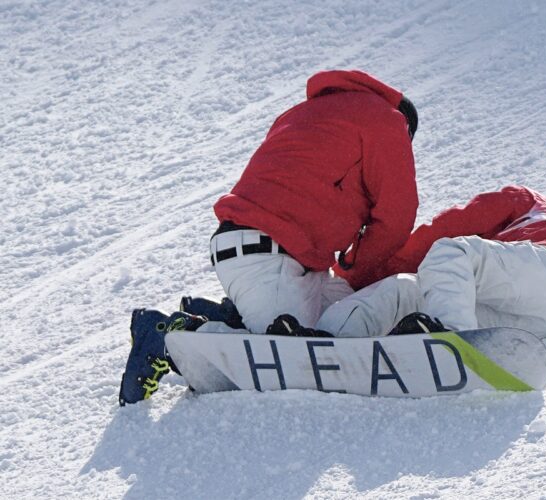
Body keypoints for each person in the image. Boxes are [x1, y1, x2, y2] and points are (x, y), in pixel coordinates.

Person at [119, 69, 420, 405]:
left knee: (347, 324)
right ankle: (169, 337)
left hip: (268, 255)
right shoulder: (388, 121)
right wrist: (358, 269)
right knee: (299, 364)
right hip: (269, 256)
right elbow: (396, 216)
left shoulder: (303, 113)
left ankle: (228, 317)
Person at [316, 185, 546, 338]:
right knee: (405, 290)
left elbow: (443, 231)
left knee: (449, 252)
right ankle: (327, 338)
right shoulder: (508, 261)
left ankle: (452, 344)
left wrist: (357, 276)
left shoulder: (526, 201)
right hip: (540, 315)